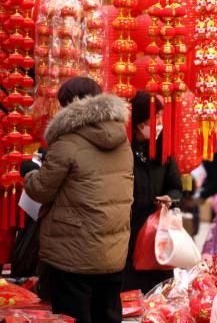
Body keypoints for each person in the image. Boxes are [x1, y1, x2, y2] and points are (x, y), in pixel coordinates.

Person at [23, 77, 133, 323]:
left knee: (73, 317)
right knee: (106, 315)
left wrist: (28, 171)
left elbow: (40, 189)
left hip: (73, 253)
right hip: (112, 251)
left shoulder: (67, 142)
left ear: (69, 105)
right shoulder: (121, 139)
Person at [122, 91, 183, 293]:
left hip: (159, 235)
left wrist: (170, 199)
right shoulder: (122, 151)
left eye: (159, 117)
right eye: (155, 118)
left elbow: (175, 187)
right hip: (128, 235)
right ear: (140, 124)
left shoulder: (163, 149)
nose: (159, 122)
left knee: (160, 294)